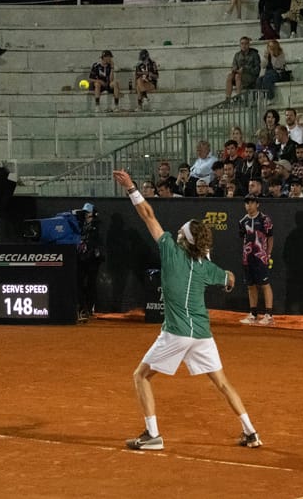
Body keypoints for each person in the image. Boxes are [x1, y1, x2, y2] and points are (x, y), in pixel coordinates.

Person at [112, 169, 262, 451]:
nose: (178, 230)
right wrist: (225, 280)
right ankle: (251, 432)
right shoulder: (207, 267)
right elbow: (230, 278)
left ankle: (152, 434)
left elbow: (147, 215)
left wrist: (132, 187)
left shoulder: (169, 248)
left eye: (182, 230)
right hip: (202, 334)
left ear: (184, 238)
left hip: (176, 332)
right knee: (221, 383)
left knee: (140, 376)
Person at [238, 193, 274, 326]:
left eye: (252, 202)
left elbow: (270, 237)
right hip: (247, 258)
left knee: (265, 284)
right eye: (247, 203)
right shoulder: (242, 221)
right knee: (250, 286)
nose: (249, 205)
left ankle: (269, 315)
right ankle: (253, 314)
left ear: (257, 204)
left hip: (261, 257)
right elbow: (244, 239)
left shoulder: (265, 219)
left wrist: (268, 254)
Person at [76, 202, 102, 321]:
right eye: (85, 213)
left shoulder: (98, 226)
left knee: (91, 284)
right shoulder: (78, 225)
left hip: (92, 261)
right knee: (80, 283)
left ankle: (89, 309)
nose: (87, 215)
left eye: (89, 213)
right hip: (81, 260)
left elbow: (98, 243)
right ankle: (82, 308)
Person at [225, 36, 260, 101]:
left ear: (249, 44)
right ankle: (228, 98)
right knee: (229, 76)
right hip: (238, 75)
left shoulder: (254, 55)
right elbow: (234, 65)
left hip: (250, 76)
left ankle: (238, 97)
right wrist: (234, 69)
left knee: (238, 76)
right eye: (242, 43)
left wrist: (245, 69)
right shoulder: (237, 55)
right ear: (240, 45)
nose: (244, 45)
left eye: (246, 43)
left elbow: (257, 70)